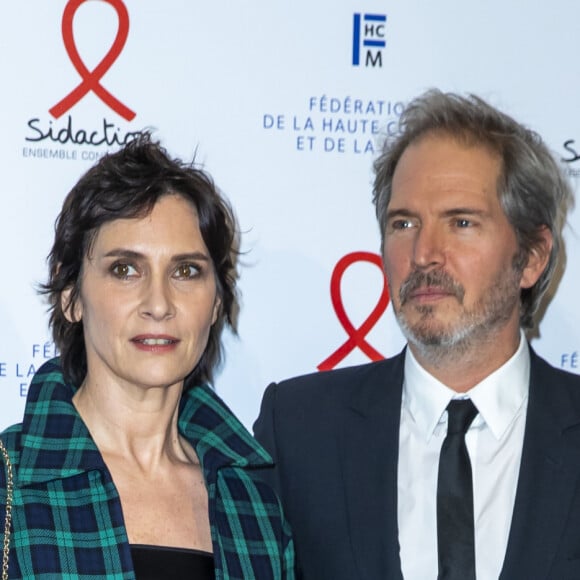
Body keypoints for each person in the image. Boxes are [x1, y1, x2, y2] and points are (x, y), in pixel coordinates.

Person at [254, 90, 580, 580]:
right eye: (403, 223)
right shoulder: (299, 432)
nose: (425, 253)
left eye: (462, 222)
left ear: (532, 257)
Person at [0, 134, 294, 579]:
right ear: (70, 296)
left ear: (216, 301)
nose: (158, 303)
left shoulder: (252, 503)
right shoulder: (9, 483)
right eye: (125, 269)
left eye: (186, 271)